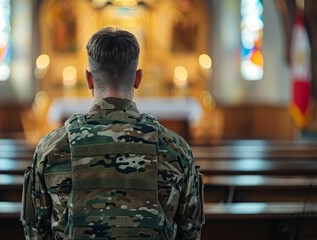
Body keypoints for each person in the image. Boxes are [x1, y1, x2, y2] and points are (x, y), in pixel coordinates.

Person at [21, 27, 204, 240]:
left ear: (89, 79)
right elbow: (190, 230)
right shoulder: (175, 148)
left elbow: (35, 230)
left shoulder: (51, 147)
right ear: (138, 78)